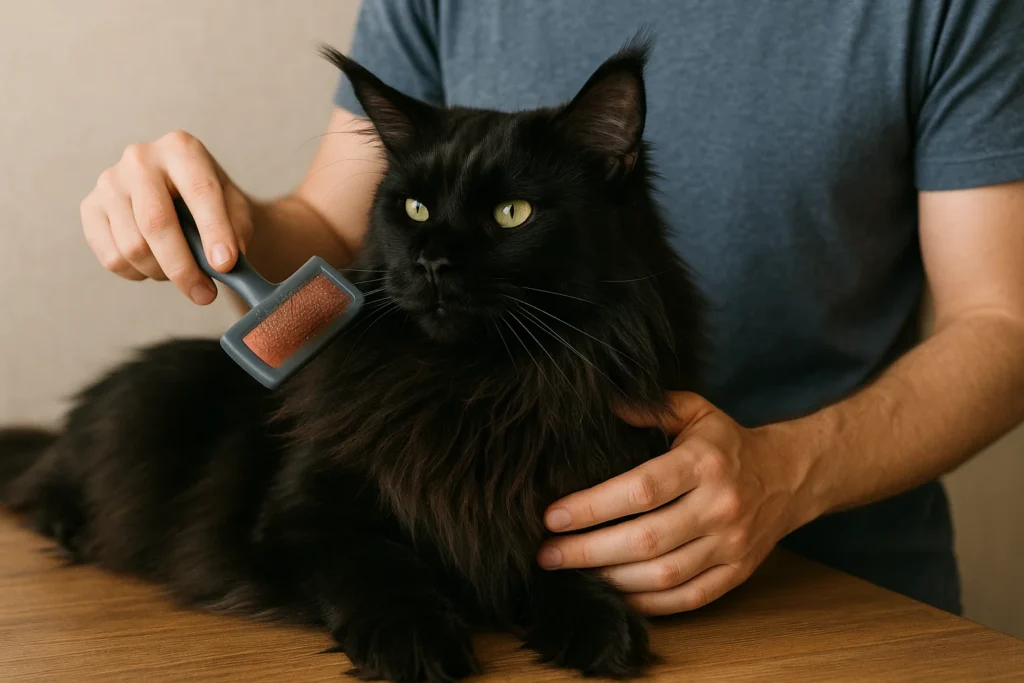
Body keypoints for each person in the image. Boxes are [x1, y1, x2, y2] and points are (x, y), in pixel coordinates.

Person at [78, 0, 1024, 616]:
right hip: (480, 572)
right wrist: (221, 216)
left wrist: (790, 471)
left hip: (840, 589)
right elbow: (333, 225)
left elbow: (1005, 323)